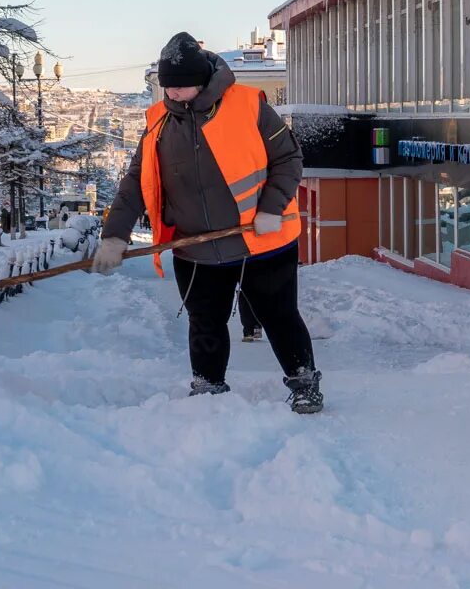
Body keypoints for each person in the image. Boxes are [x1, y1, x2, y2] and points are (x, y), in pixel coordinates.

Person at [92, 32, 323, 413]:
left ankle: (304, 383)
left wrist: (270, 208)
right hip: (196, 247)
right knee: (204, 322)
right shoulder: (159, 123)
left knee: (279, 317)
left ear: (202, 81)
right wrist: (114, 236)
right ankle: (208, 388)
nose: (174, 95)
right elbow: (136, 181)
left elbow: (289, 159)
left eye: (181, 87)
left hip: (262, 241)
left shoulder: (249, 106)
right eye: (168, 88)